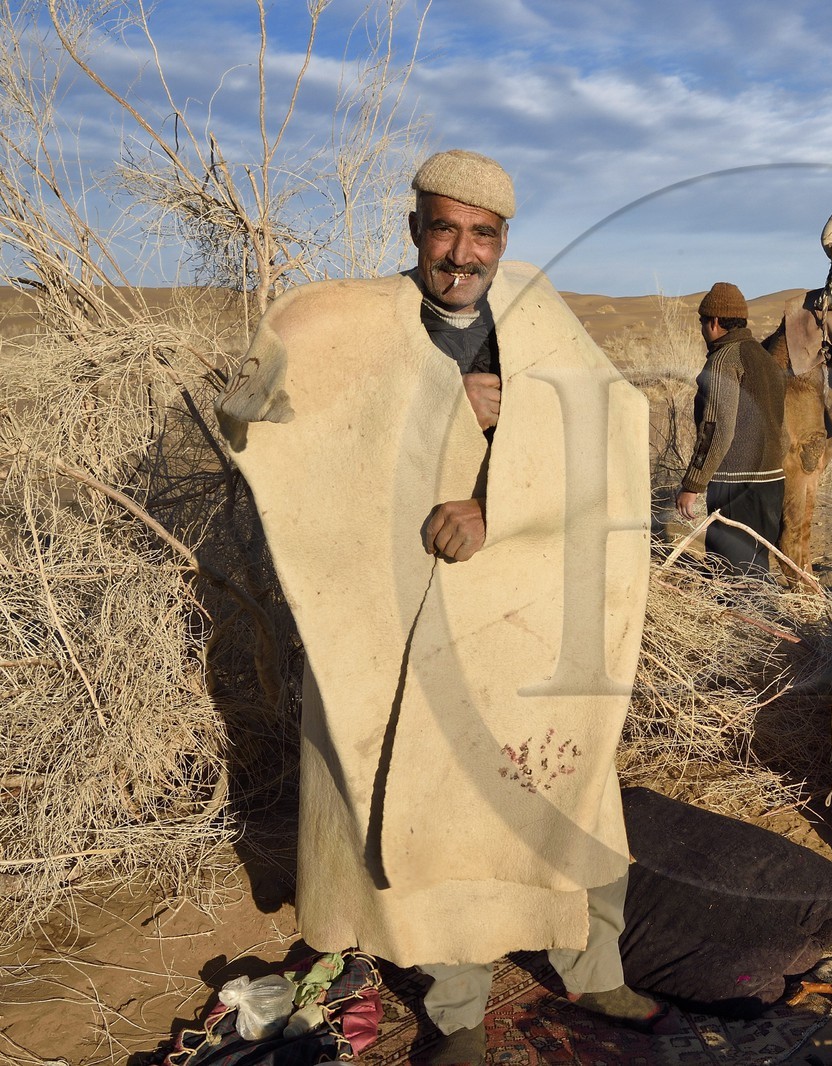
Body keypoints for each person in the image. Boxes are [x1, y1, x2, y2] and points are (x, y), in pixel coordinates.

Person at [216, 150, 658, 1065]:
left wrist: (505, 477)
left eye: (482, 233)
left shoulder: (538, 317)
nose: (462, 252)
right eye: (445, 229)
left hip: (534, 612)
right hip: (408, 612)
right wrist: (438, 409)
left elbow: (611, 438)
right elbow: (310, 443)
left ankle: (594, 967)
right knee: (437, 812)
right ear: (415, 228)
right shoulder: (366, 329)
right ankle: (458, 1015)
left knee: (568, 788)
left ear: (504, 239)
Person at [674, 282, 787, 575]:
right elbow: (781, 428)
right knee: (755, 571)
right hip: (772, 484)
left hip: (736, 486)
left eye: (702, 322)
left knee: (731, 577)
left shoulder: (724, 360)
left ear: (713, 322)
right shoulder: (766, 359)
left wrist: (692, 484)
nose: (702, 329)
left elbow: (716, 430)